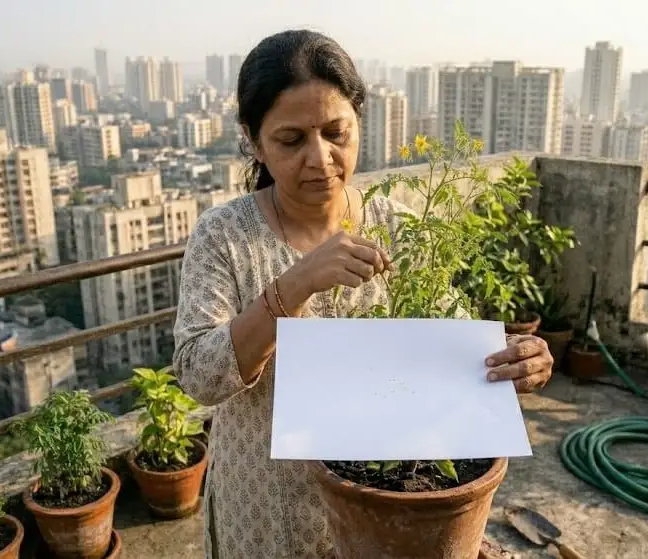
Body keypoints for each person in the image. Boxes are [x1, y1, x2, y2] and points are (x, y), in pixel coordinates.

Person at [172, 29, 554, 559]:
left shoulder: (394, 227)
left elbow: (454, 343)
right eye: (291, 140)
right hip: (267, 505)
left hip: (388, 501)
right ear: (253, 140)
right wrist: (292, 287)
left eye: (336, 132)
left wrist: (515, 361)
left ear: (359, 123)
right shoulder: (225, 236)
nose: (320, 157)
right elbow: (197, 375)